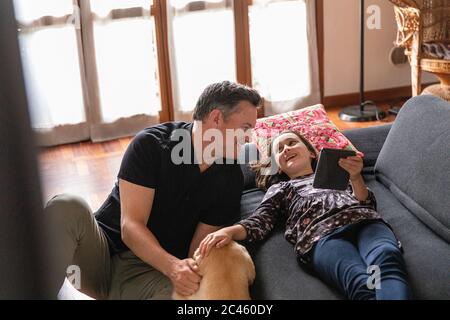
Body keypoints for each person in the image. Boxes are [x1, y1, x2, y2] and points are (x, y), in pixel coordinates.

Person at [44, 81, 262, 299]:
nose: (249, 137)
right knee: (66, 206)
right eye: (245, 128)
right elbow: (130, 227)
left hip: (150, 277)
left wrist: (186, 274)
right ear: (216, 118)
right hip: (101, 259)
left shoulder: (230, 178)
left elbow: (197, 252)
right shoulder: (150, 145)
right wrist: (173, 267)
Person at [199, 130, 412, 300]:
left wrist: (356, 178)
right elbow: (261, 220)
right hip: (322, 237)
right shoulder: (281, 188)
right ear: (278, 166)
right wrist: (229, 231)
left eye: (292, 143)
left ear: (311, 152)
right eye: (279, 149)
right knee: (361, 281)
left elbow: (367, 203)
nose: (286, 149)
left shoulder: (339, 175)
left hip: (365, 222)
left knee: (386, 258)